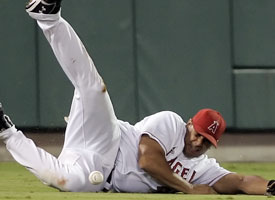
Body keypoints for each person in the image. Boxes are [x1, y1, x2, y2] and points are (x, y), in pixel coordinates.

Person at [0, 0, 274, 195]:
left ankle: (6, 131)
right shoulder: (171, 124)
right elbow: (147, 160)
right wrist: (188, 189)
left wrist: (270, 187)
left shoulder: (201, 167)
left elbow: (240, 181)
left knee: (63, 180)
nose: (198, 141)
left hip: (97, 175)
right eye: (198, 133)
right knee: (93, 88)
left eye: (207, 141)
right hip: (108, 139)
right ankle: (48, 17)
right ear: (190, 123)